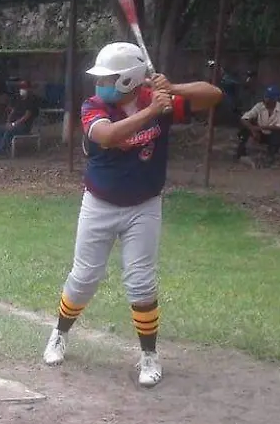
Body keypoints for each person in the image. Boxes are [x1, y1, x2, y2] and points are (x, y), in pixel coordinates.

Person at [43, 42, 222, 385]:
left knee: (140, 281)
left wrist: (172, 88)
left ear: (129, 80)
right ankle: (60, 333)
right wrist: (154, 110)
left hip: (144, 205)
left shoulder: (156, 100)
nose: (101, 85)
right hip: (99, 204)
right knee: (84, 277)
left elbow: (213, 95)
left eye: (109, 79)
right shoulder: (94, 107)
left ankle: (149, 356)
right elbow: (108, 136)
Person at [0, 81, 40, 159]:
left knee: (9, 131)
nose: (22, 89)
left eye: (24, 88)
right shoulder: (18, 99)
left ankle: (0, 152)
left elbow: (26, 116)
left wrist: (14, 124)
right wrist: (8, 122)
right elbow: (12, 112)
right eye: (21, 88)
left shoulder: (32, 100)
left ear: (29, 89)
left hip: (23, 126)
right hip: (13, 123)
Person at [235, 84, 280, 163]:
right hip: (261, 134)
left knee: (277, 133)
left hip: (276, 136)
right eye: (265, 97)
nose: (266, 99)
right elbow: (244, 118)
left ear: (275, 99)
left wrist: (259, 128)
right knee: (244, 129)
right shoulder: (259, 106)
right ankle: (241, 153)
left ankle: (271, 155)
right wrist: (252, 129)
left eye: (269, 98)